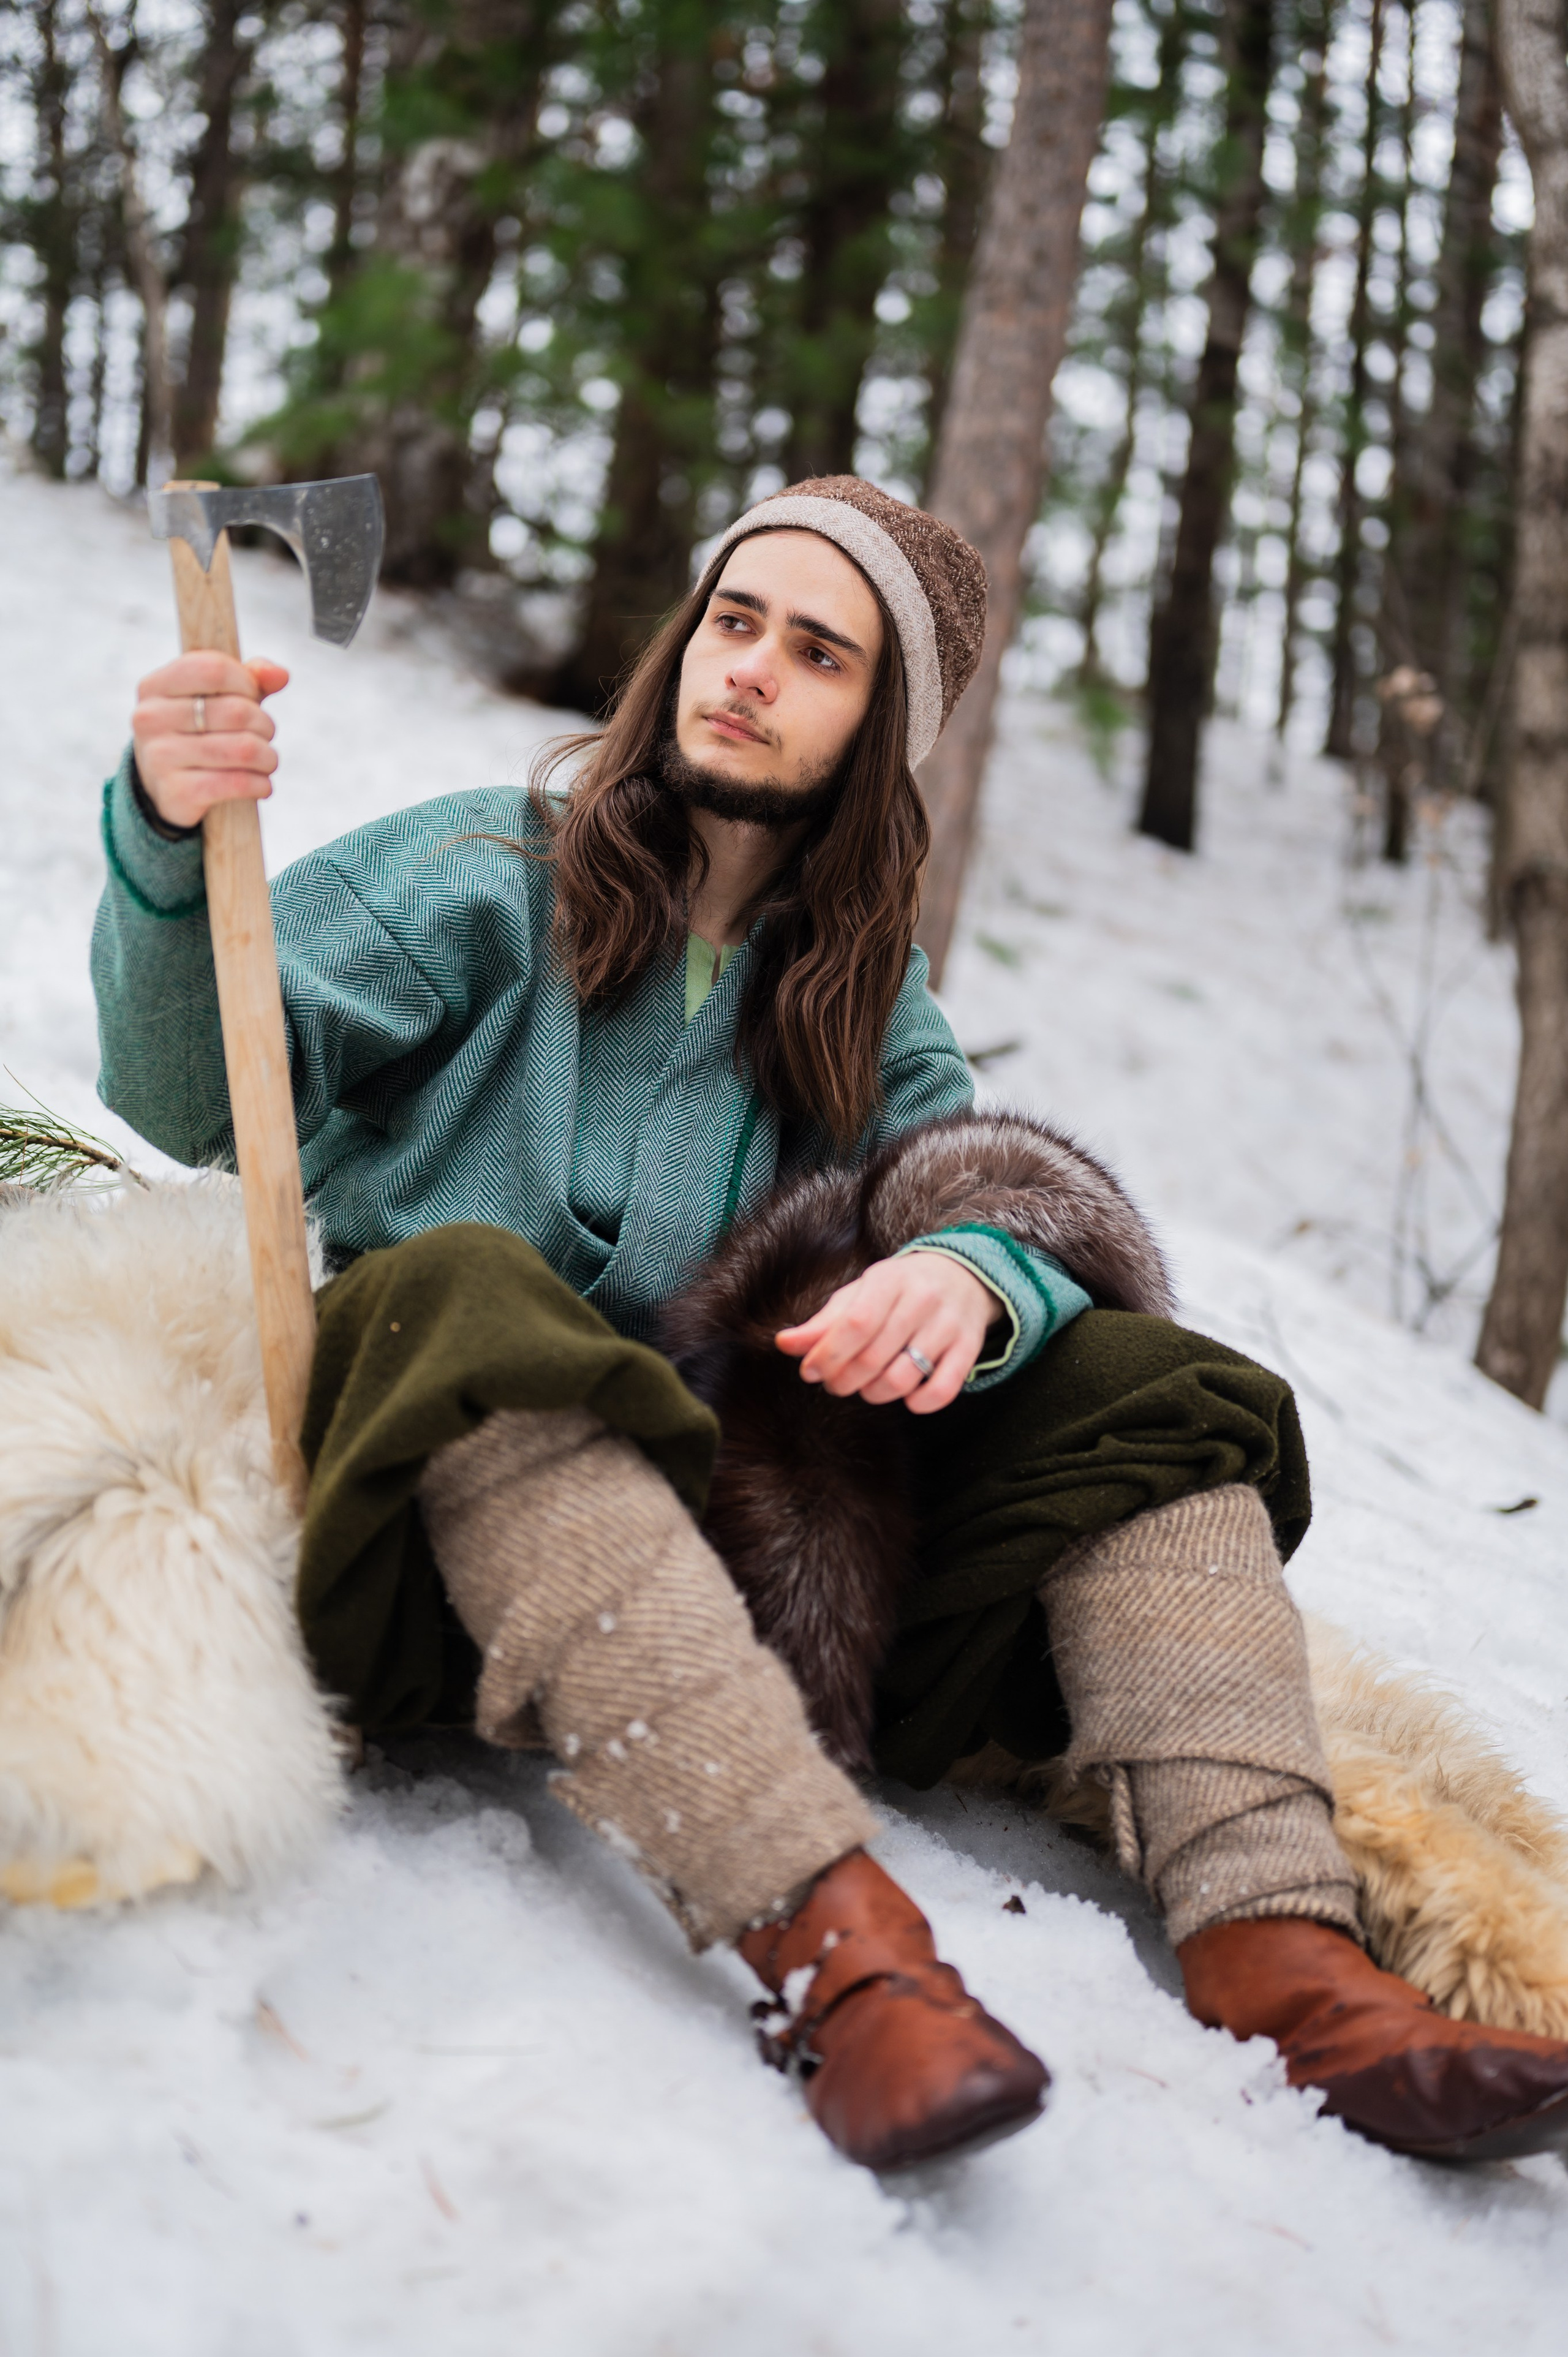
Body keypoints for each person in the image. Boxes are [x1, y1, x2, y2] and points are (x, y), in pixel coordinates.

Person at [93, 475, 1568, 2173]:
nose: (748, 671)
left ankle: (1290, 1962)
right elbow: (186, 1088)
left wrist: (973, 1271)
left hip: (760, 1592)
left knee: (1150, 1380)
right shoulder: (482, 872)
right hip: (441, 1548)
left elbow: (995, 1187)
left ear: (877, 732)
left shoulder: (864, 1009)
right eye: (733, 622)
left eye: (816, 652)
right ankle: (847, 1960)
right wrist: (162, 829)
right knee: (465, 1285)